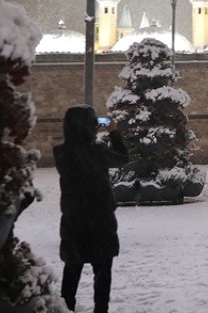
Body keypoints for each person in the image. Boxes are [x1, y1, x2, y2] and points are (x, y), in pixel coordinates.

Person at [55, 105, 130, 313]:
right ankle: (100, 310)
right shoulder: (97, 152)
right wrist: (113, 131)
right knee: (103, 271)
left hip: (74, 221)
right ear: (91, 126)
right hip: (100, 222)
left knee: (71, 270)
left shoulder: (61, 154)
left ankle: (66, 307)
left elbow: (79, 151)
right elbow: (123, 157)